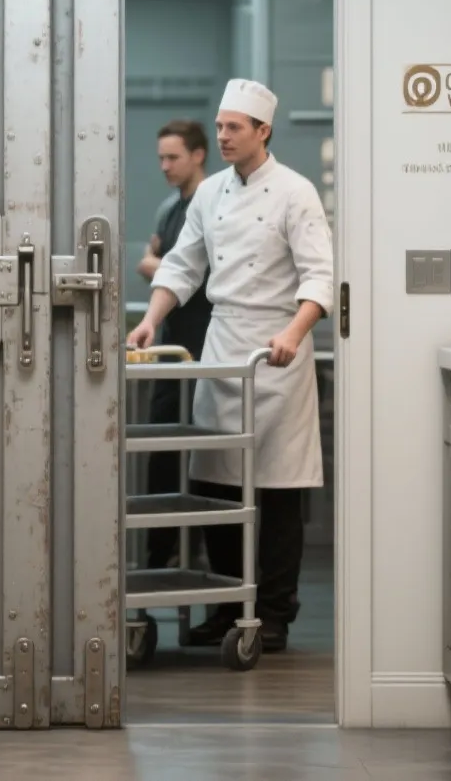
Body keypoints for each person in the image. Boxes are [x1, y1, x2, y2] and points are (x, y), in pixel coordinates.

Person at [126, 79, 333, 653]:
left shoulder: (296, 192)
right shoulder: (211, 193)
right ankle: (225, 606)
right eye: (218, 126)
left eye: (233, 128)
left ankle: (272, 614)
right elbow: (181, 267)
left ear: (263, 131)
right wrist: (150, 320)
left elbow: (319, 276)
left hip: (276, 354)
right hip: (221, 349)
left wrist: (294, 331)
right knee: (215, 489)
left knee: (277, 493)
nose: (222, 136)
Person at [135, 119, 214, 570]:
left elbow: (173, 268)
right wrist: (160, 264)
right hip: (171, 346)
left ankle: (200, 550)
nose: (165, 166)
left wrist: (158, 264)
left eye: (173, 158)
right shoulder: (169, 208)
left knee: (207, 455)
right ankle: (158, 554)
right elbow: (154, 261)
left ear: (198, 155)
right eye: (161, 157)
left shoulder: (211, 205)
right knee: (161, 449)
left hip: (207, 347)